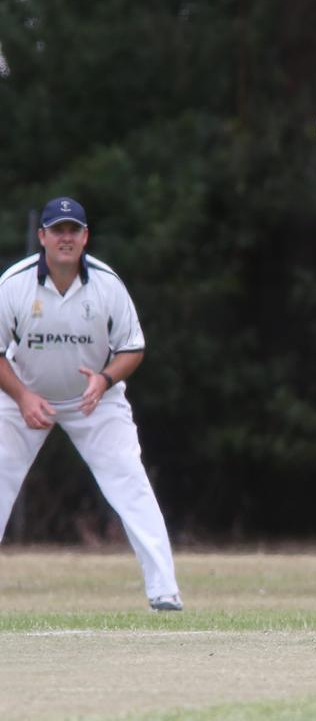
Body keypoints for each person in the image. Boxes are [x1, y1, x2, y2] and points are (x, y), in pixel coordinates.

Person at [0, 197, 183, 612]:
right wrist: (24, 396)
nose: (66, 238)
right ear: (42, 237)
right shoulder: (14, 284)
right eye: (57, 230)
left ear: (85, 237)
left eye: (73, 230)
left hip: (93, 401)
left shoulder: (106, 284)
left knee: (130, 482)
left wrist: (103, 380)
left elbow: (132, 348)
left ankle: (165, 592)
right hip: (22, 397)